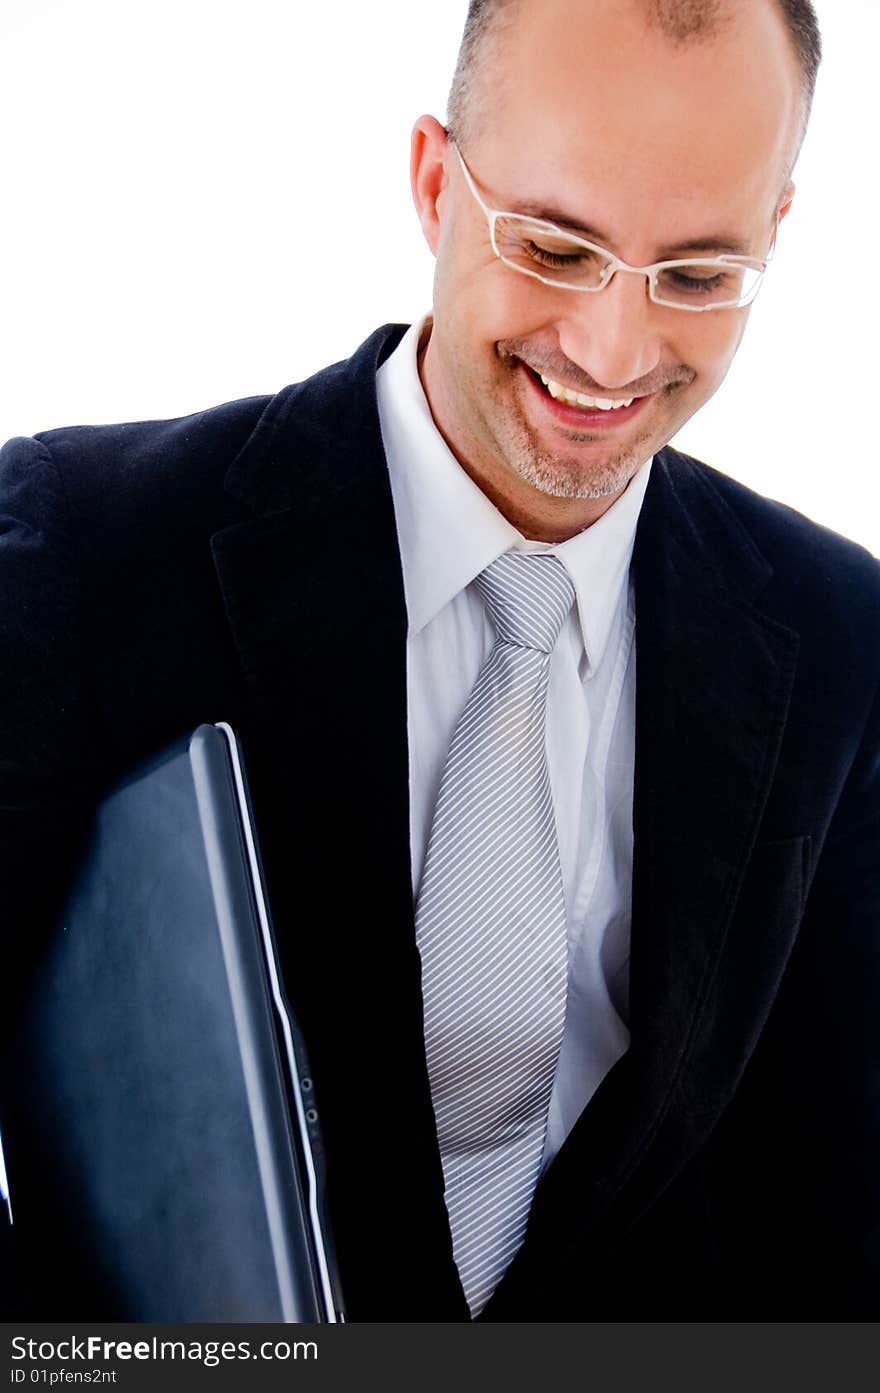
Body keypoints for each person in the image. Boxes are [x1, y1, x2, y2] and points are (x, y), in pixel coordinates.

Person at [1, 0, 878, 1320]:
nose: (611, 351)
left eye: (697, 275)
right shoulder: (81, 547)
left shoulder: (841, 637)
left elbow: (835, 1217)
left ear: (776, 236)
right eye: (554, 245)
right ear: (432, 183)